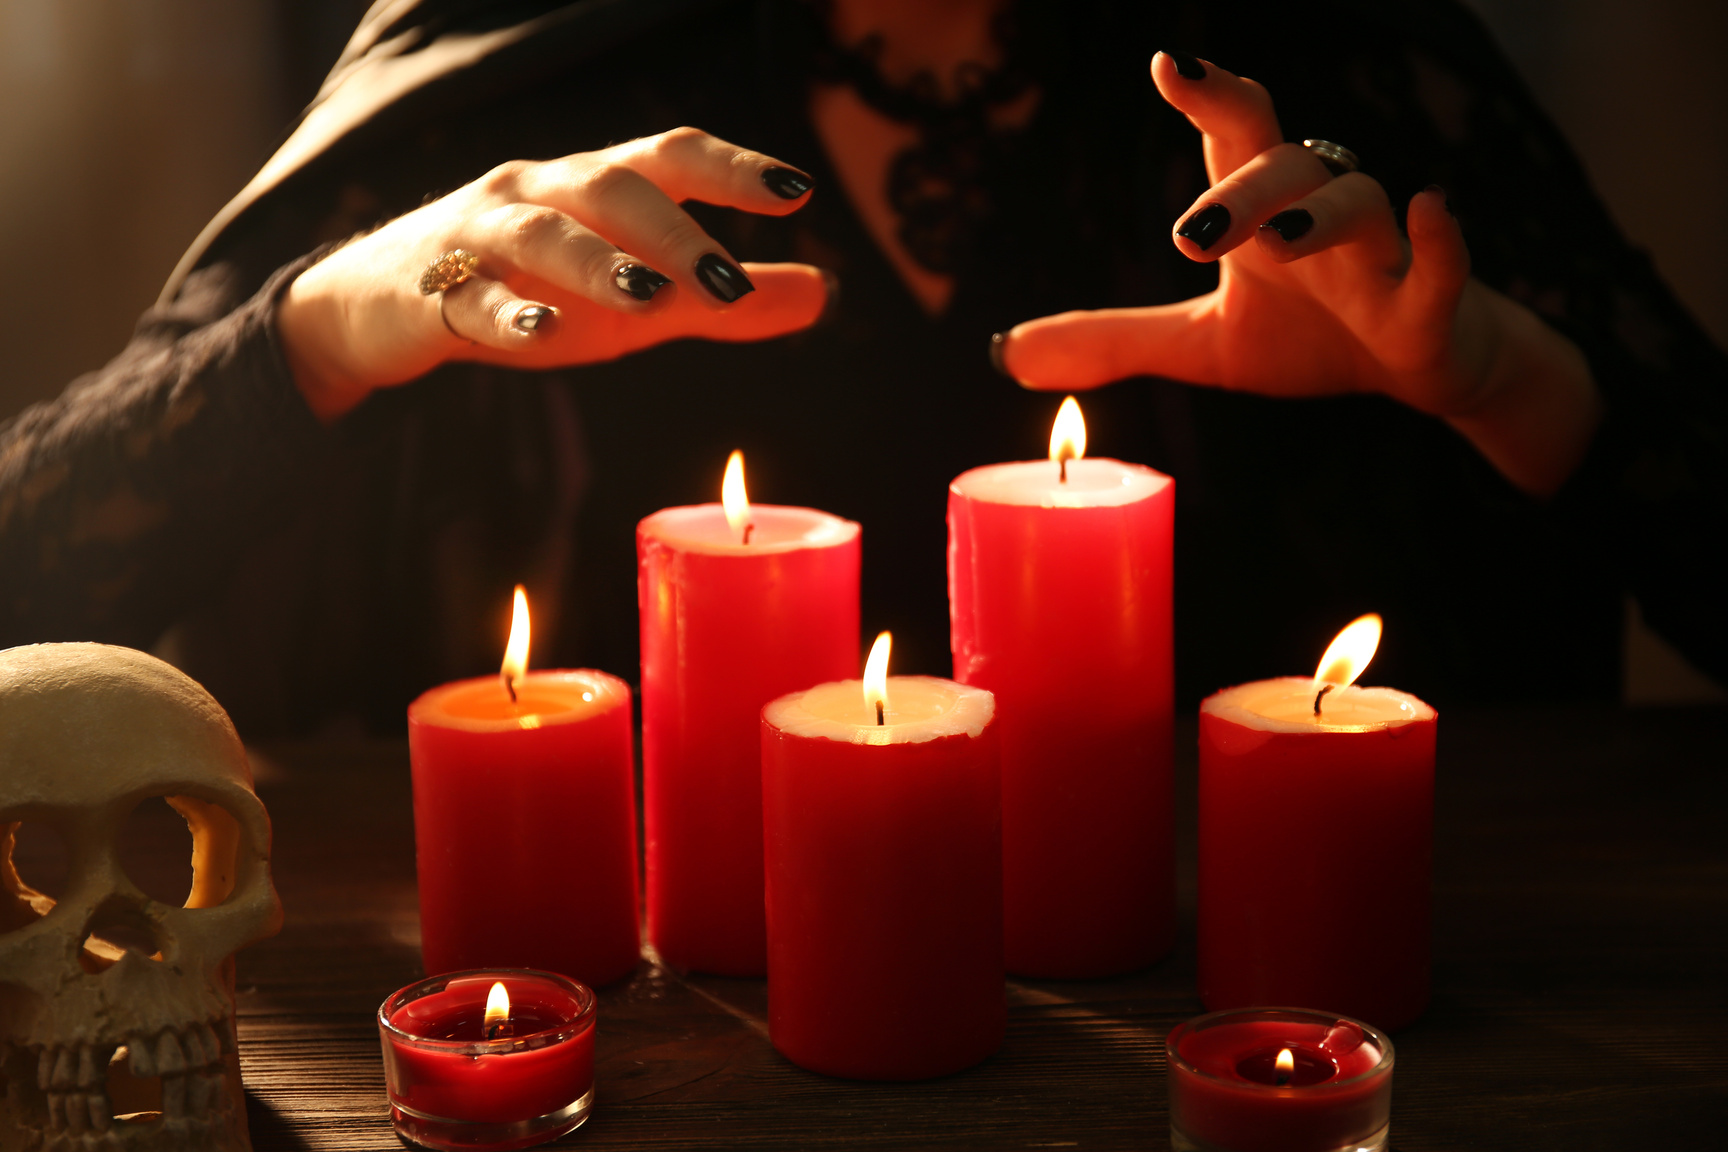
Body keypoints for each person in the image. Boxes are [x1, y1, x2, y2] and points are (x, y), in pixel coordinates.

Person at [0, 0, 1721, 735]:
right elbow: (33, 569)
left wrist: (1493, 377)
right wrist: (327, 326)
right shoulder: (513, 72)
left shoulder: (1325, 64)